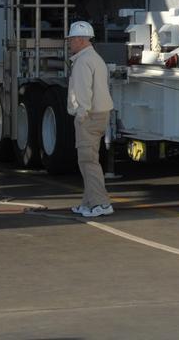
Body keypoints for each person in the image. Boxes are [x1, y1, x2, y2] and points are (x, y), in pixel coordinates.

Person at [66, 20, 113, 218]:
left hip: (89, 116)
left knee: (88, 161)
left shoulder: (83, 61)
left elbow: (83, 90)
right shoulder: (95, 58)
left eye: (71, 39)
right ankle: (88, 203)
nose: (69, 43)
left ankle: (101, 204)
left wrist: (81, 113)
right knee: (89, 160)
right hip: (100, 115)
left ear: (79, 39)